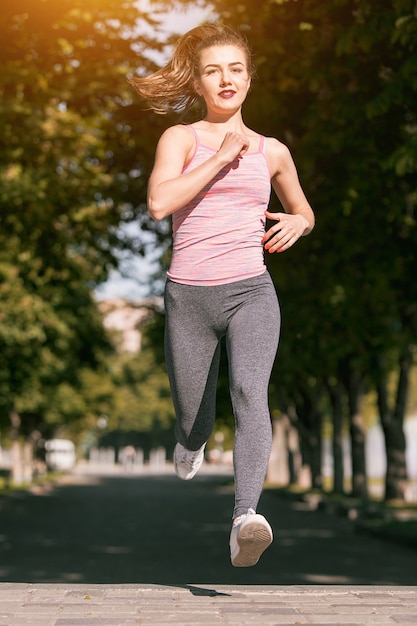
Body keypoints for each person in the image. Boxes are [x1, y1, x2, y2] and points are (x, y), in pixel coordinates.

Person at [130, 23, 314, 567]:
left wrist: (298, 224)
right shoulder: (181, 139)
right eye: (213, 70)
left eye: (235, 69)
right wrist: (220, 157)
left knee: (250, 392)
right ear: (200, 81)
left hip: (252, 290)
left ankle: (245, 519)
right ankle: (192, 441)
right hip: (189, 296)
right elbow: (160, 204)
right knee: (194, 414)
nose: (225, 78)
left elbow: (304, 209)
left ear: (250, 79)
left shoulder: (272, 150)